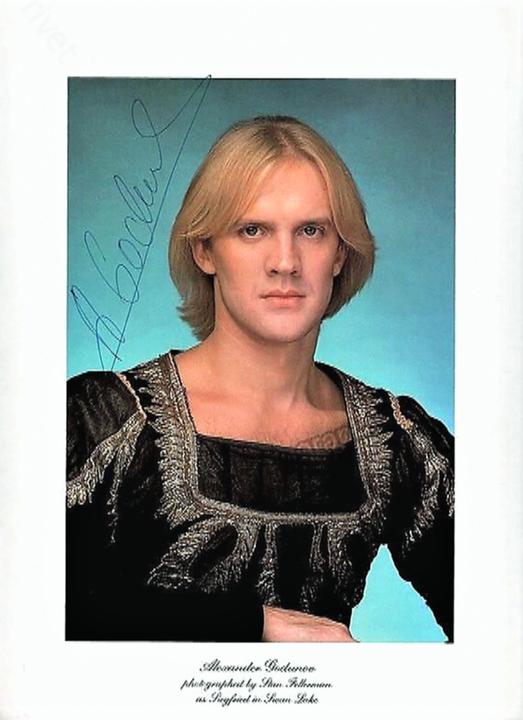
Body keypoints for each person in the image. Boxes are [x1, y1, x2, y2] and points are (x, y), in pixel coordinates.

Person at [66, 115, 454, 642]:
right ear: (204, 250)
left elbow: (502, 626)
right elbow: (30, 619)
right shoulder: (100, 423)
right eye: (253, 230)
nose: (285, 262)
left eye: (311, 231)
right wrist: (253, 625)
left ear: (340, 253)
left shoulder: (397, 440)